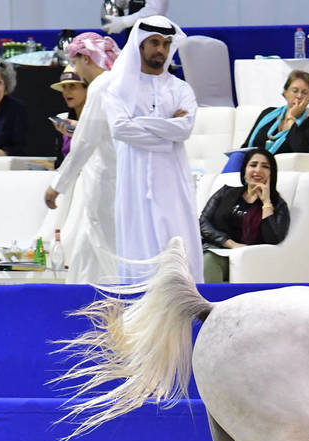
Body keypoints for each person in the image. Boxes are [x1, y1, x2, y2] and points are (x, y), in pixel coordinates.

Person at [101, 15, 203, 283]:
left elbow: (184, 129)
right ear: (140, 46)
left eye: (166, 44)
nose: (161, 50)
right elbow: (120, 129)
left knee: (178, 251)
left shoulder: (181, 89)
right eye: (154, 42)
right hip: (133, 184)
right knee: (139, 256)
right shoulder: (118, 88)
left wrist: (144, 125)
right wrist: (166, 134)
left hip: (173, 183)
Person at [44, 32, 121, 285]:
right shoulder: (119, 83)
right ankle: (78, 303)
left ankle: (123, 308)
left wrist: (57, 185)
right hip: (112, 179)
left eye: (76, 63)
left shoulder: (100, 86)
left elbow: (85, 143)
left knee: (108, 250)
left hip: (106, 181)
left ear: (86, 58)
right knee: (86, 249)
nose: (77, 70)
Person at [201, 148, 290, 283]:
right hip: (215, 248)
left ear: (272, 173)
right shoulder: (225, 192)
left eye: (265, 166)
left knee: (208, 262)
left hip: (247, 257)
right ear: (245, 170)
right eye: (253, 165)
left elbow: (273, 238)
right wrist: (230, 244)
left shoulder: (278, 205)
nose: (258, 170)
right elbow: (203, 221)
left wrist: (266, 202)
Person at [223, 70, 309, 174]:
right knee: (237, 156)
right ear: (285, 93)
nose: (299, 96)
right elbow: (247, 145)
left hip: (275, 169)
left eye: (305, 93)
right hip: (252, 164)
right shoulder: (268, 114)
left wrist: (292, 117)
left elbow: (302, 152)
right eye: (295, 91)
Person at [50, 65, 88, 168]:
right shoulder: (63, 120)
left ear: (87, 89)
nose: (66, 92)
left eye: (72, 86)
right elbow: (59, 163)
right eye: (64, 87)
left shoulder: (98, 120)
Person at [101, 0, 170, 35]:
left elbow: (156, 10)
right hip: (134, 36)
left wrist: (124, 22)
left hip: (153, 36)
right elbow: (122, 4)